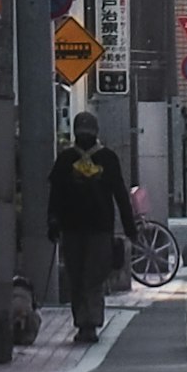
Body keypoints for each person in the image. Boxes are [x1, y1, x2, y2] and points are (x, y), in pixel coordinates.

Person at [46, 111, 131, 345]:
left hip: (73, 227)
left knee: (79, 276)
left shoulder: (65, 160)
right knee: (92, 277)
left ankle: (85, 323)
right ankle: (90, 322)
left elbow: (55, 196)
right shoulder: (108, 158)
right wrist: (128, 225)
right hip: (99, 227)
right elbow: (120, 194)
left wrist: (53, 222)